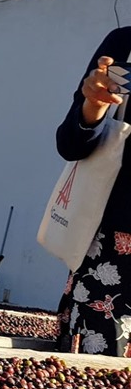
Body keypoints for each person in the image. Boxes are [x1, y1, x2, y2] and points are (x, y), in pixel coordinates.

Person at [55, 26, 131, 357]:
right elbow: (70, 143)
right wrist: (93, 107)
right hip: (114, 252)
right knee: (93, 384)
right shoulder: (123, 46)